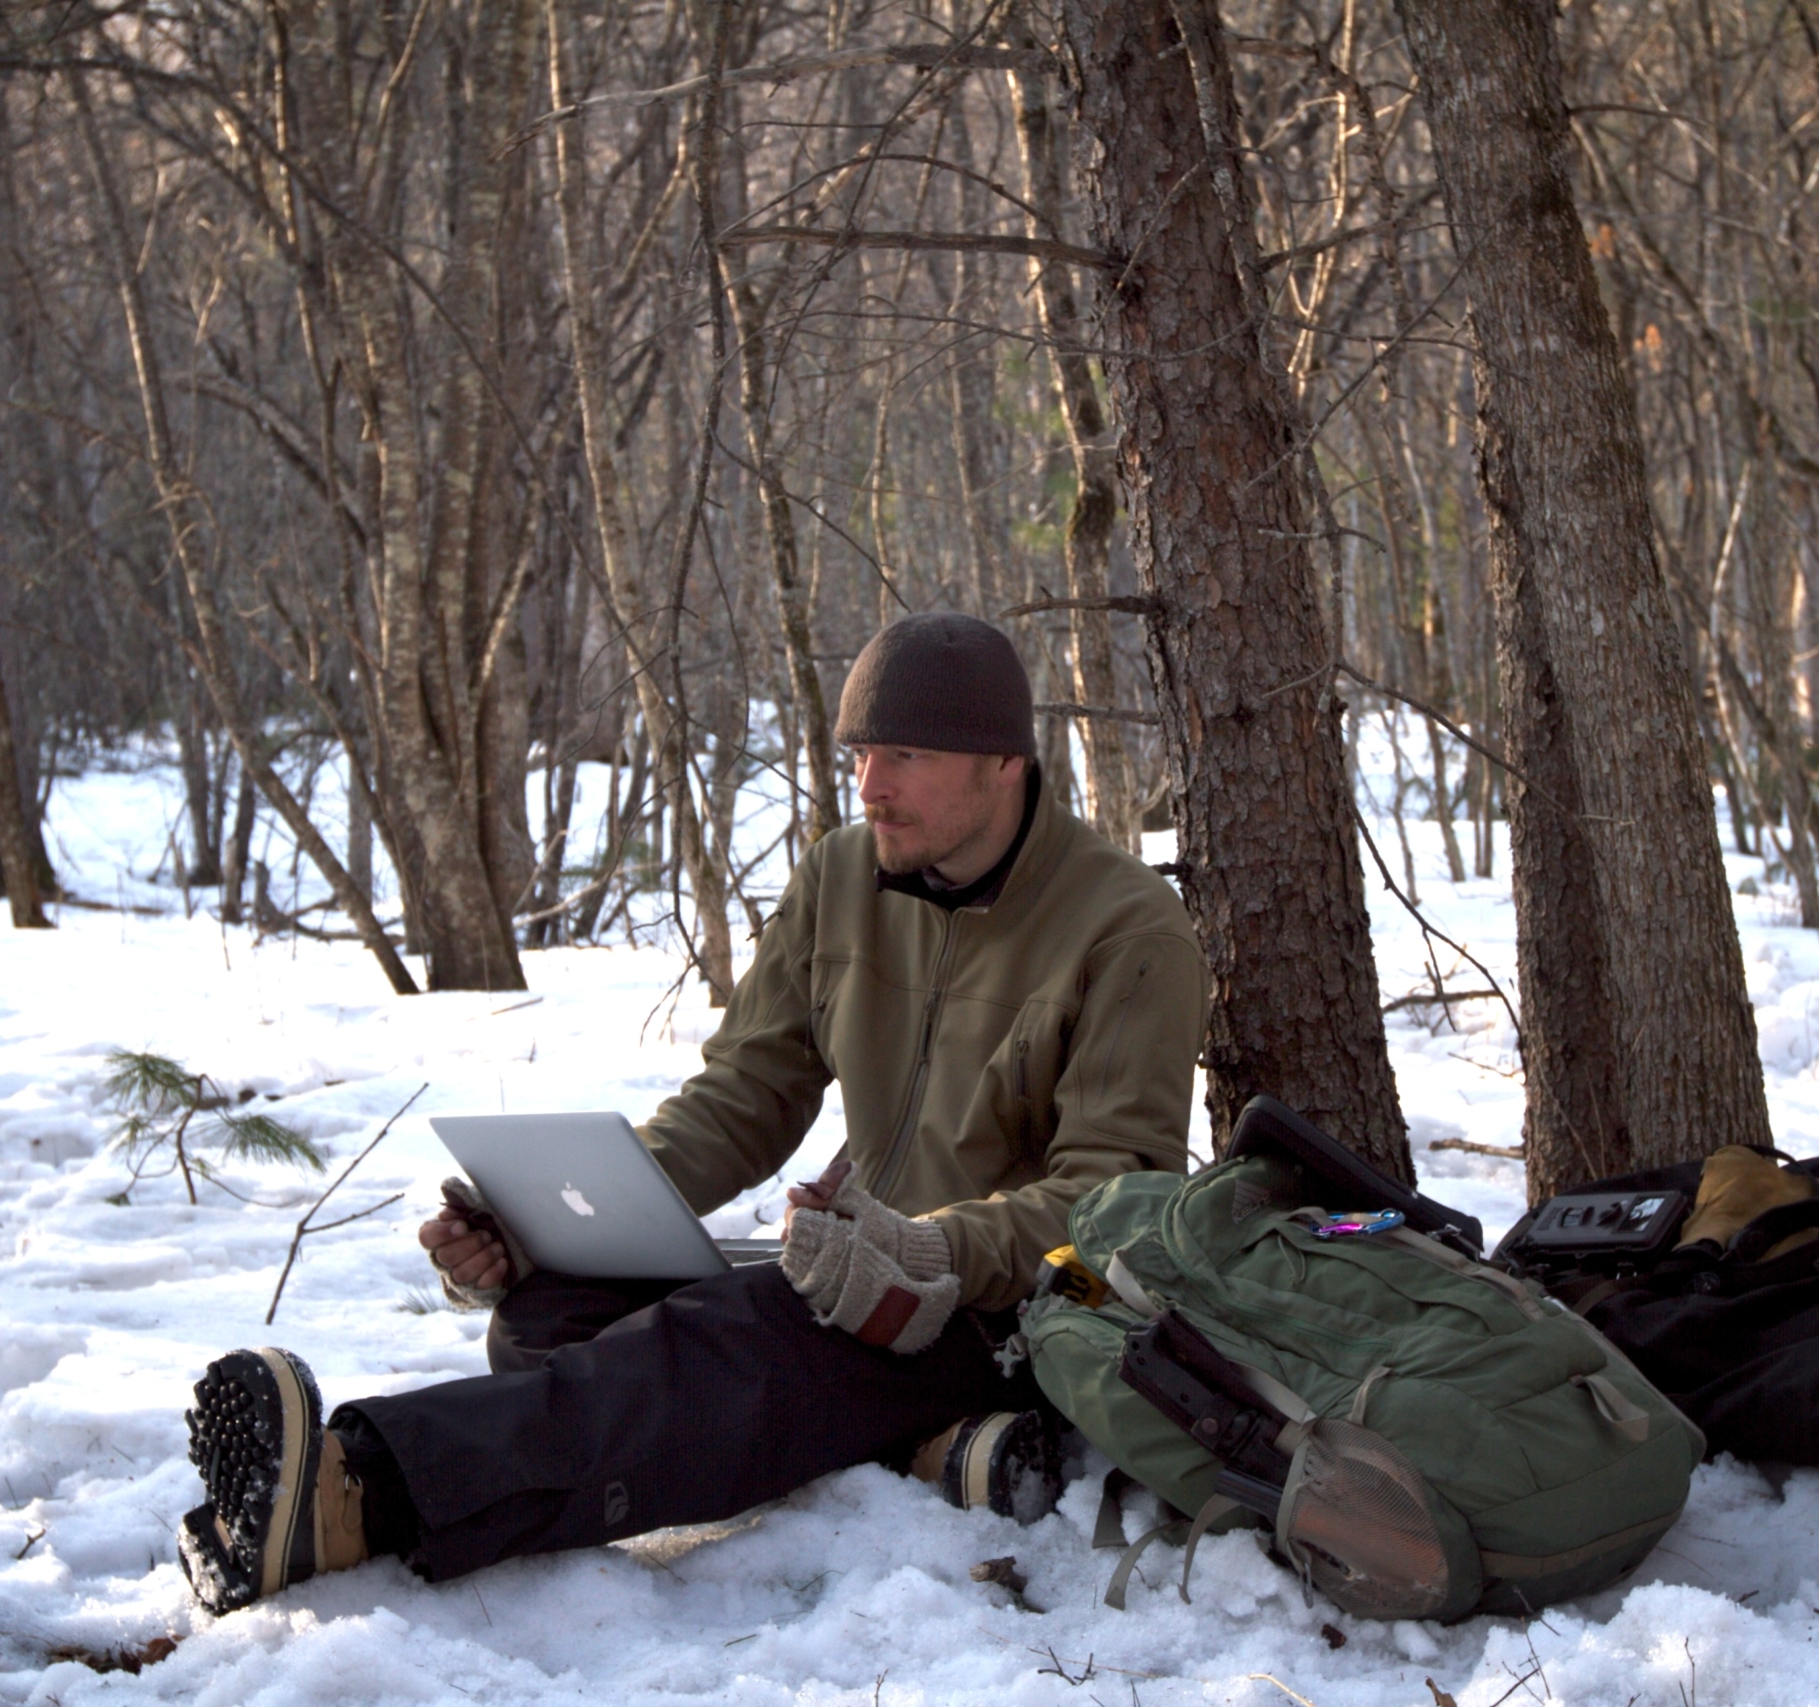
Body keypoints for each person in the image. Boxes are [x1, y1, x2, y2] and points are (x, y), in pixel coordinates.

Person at [176, 612, 1209, 1614]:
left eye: (902, 755)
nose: (868, 787)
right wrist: (564, 1222)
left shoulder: (1125, 927)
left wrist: (929, 1251)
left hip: (1009, 1310)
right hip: (853, 1275)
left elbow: (1117, 1203)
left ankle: (359, 1493)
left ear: (1001, 763)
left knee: (734, 1339)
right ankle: (923, 1442)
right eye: (857, 752)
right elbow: (745, 1097)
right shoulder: (841, 876)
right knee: (555, 1311)